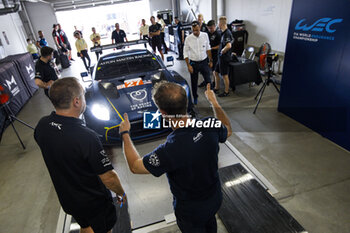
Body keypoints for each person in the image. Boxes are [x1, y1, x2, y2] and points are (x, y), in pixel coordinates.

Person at [119, 82, 232, 233]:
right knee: (210, 224)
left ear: (163, 112)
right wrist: (214, 101)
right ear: (185, 103)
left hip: (191, 212)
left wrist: (125, 134)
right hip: (215, 198)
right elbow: (228, 129)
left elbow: (135, 166)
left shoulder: (170, 149)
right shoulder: (209, 125)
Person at [34, 77, 126, 233]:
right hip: (93, 202)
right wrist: (121, 193)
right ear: (76, 102)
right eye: (83, 96)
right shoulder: (86, 137)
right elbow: (108, 177)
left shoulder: (42, 125)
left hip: (68, 199)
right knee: (102, 228)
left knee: (86, 225)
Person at [184, 21, 213, 105]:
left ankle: (211, 97)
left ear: (200, 27)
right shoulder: (188, 38)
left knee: (208, 81)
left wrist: (211, 60)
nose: (195, 32)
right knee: (194, 82)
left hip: (204, 62)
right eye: (193, 30)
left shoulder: (205, 35)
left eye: (197, 30)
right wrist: (188, 65)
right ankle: (195, 97)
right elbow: (185, 52)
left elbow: (208, 48)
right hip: (194, 63)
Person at [214, 16, 233, 97]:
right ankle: (217, 87)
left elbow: (229, 45)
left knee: (224, 75)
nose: (218, 24)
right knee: (215, 72)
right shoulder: (222, 32)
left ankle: (226, 91)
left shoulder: (227, 33)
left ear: (221, 24)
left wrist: (223, 50)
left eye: (218, 23)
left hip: (224, 58)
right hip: (220, 58)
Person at [198, 20, 221, 88]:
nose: (210, 29)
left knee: (214, 70)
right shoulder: (206, 34)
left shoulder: (218, 34)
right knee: (205, 69)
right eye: (208, 28)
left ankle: (214, 83)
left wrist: (211, 48)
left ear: (214, 26)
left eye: (211, 28)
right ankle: (206, 81)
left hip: (215, 54)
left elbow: (220, 45)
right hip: (206, 54)